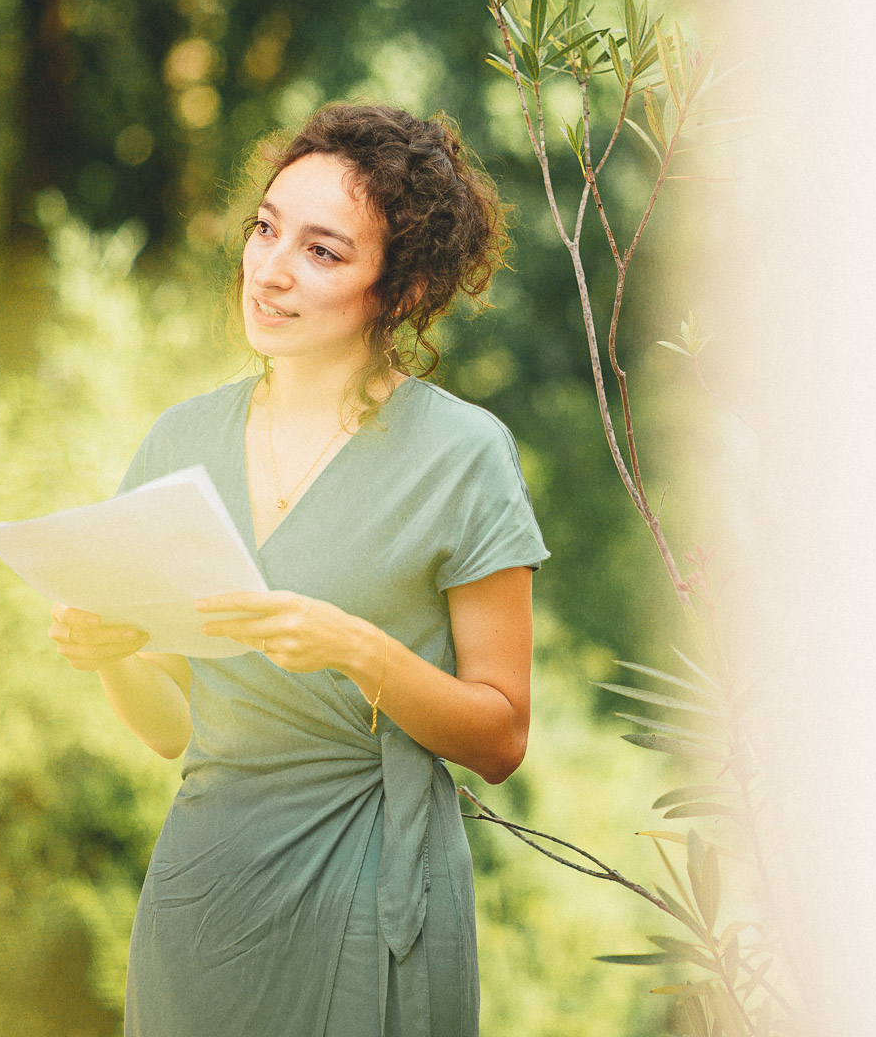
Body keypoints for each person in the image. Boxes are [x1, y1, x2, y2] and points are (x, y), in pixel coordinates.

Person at [45, 102, 548, 1037]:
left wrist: (359, 649)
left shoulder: (464, 456)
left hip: (374, 884)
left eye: (322, 252)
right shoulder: (179, 442)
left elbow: (501, 739)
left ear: (398, 290)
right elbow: (169, 732)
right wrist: (111, 651)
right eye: (266, 229)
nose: (271, 271)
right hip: (205, 891)